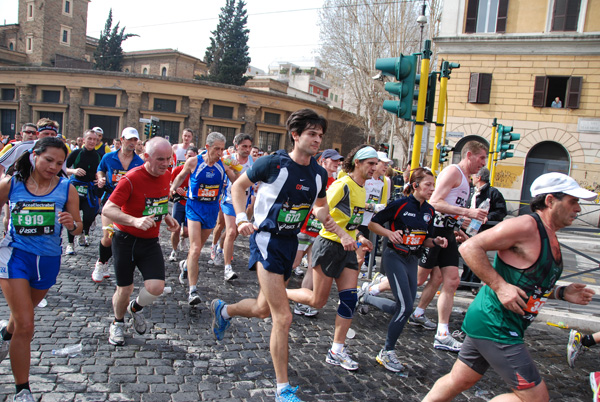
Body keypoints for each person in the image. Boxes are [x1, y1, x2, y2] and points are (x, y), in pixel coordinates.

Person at [210, 109, 349, 402]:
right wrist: (240, 217)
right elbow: (238, 186)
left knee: (262, 308)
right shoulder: (272, 163)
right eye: (311, 134)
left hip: (289, 243)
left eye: (320, 135)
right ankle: (282, 389)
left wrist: (338, 228)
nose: (317, 139)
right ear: (295, 135)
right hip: (265, 240)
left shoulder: (319, 173)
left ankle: (225, 310)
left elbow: (321, 206)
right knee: (283, 317)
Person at [423, 172, 596, 402]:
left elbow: (528, 282)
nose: (578, 209)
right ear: (551, 201)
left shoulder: (549, 234)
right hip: (496, 325)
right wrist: (500, 286)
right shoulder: (526, 226)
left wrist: (562, 292)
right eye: (573, 201)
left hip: (494, 322)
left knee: (459, 380)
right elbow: (470, 248)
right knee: (535, 399)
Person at [0, 137, 81, 402]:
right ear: (35, 155)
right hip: (15, 257)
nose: (53, 167)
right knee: (26, 325)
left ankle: (4, 335)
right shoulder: (12, 184)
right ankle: (22, 390)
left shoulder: (67, 188)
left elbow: (78, 226)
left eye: (59, 163)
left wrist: (71, 225)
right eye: (48, 160)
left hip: (48, 261)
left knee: (21, 317)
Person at [287, 144, 377, 372]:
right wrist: (342, 234)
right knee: (318, 301)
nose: (374, 168)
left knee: (350, 299)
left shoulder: (362, 188)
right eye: (370, 163)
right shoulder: (342, 184)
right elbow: (318, 210)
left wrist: (359, 236)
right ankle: (277, 292)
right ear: (357, 162)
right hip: (328, 246)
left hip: (347, 249)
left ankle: (336, 350)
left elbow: (351, 222)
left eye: (376, 164)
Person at [361, 167, 448, 372]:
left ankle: (365, 297)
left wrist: (436, 241)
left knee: (403, 307)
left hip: (412, 259)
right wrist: (389, 234)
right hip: (394, 257)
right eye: (428, 185)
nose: (431, 189)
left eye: (433, 186)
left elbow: (425, 239)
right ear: (415, 185)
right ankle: (387, 352)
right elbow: (373, 224)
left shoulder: (429, 210)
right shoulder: (399, 204)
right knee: (406, 308)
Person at [102, 137, 180, 346]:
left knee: (156, 287)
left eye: (168, 159)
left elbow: (158, 203)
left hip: (149, 241)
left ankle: (135, 308)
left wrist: (166, 217)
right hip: (125, 240)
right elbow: (108, 209)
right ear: (146, 157)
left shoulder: (165, 176)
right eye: (160, 159)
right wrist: (133, 220)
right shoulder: (131, 178)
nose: (165, 164)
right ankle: (117, 323)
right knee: (124, 289)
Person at [412, 141, 488, 352]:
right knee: (418, 279)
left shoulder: (467, 179)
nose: (483, 163)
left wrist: (459, 226)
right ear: (469, 155)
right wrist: (467, 213)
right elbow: (435, 202)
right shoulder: (453, 172)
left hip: (448, 233)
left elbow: (451, 209)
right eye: (481, 158)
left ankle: (441, 333)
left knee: (450, 281)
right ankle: (372, 288)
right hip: (434, 232)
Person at [170, 132, 238, 305]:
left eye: (222, 149)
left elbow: (237, 183)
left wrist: (236, 168)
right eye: (216, 149)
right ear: (207, 147)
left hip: (212, 209)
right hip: (194, 207)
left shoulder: (223, 164)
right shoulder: (194, 162)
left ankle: (186, 265)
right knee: (195, 249)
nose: (220, 153)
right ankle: (193, 290)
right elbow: (180, 176)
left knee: (198, 248)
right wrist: (171, 189)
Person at [293, 148, 342, 317]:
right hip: (303, 228)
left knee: (313, 267)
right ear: (323, 161)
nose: (336, 163)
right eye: (333, 160)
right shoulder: (316, 178)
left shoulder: (336, 182)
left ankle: (301, 303)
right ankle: (271, 295)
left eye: (338, 161)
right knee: (293, 263)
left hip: (320, 232)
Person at [91, 128, 144, 283]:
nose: (132, 143)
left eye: (135, 140)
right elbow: (100, 170)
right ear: (122, 139)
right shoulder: (108, 157)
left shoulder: (139, 162)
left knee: (122, 238)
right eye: (129, 140)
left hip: (128, 203)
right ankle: (101, 263)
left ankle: (118, 265)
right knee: (108, 236)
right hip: (111, 200)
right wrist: (100, 179)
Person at [459, 166, 507, 293]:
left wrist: (488, 217)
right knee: (466, 253)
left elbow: (502, 211)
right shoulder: (471, 191)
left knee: (478, 255)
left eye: (474, 176)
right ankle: (465, 280)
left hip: (482, 229)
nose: (472, 178)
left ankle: (474, 283)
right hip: (469, 227)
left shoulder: (493, 193)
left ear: (479, 178)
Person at [218, 133, 254, 281]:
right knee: (231, 231)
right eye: (244, 146)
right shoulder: (228, 159)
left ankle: (221, 248)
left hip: (244, 201)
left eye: (250, 147)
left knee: (233, 233)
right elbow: (234, 181)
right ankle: (227, 268)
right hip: (228, 199)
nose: (247, 149)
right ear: (237, 146)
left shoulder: (253, 161)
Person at [64, 130, 101, 255]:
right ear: (83, 140)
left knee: (89, 216)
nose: (92, 141)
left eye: (94, 139)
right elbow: (63, 168)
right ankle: (70, 244)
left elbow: (102, 171)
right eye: (89, 139)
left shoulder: (98, 155)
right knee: (73, 217)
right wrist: (73, 171)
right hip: (75, 188)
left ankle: (83, 232)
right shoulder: (76, 153)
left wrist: (100, 178)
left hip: (90, 190)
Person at [168, 146, 198, 263]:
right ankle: (174, 250)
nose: (190, 158)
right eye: (189, 156)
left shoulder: (197, 172)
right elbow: (171, 185)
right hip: (179, 202)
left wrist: (187, 192)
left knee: (186, 231)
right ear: (185, 156)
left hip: (191, 204)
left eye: (193, 156)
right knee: (176, 228)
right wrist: (175, 190)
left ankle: (183, 238)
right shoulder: (177, 170)